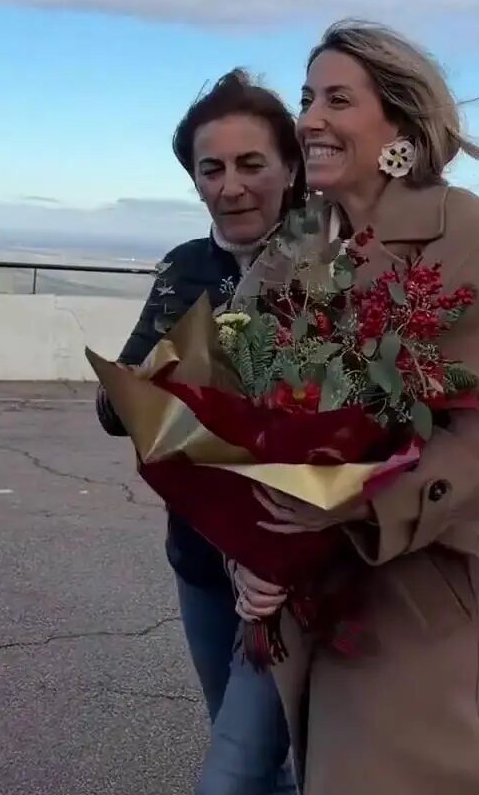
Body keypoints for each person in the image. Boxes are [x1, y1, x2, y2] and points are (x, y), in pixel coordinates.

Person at [230, 20, 479, 794]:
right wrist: (250, 551)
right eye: (306, 99)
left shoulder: (461, 231)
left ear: (399, 121)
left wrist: (354, 502)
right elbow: (232, 395)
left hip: (423, 597)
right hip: (312, 599)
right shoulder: (300, 238)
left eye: (338, 100)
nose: (310, 119)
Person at [97, 68, 305, 795]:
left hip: (294, 571)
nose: (230, 187)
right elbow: (115, 407)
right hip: (202, 562)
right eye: (211, 169)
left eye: (251, 164)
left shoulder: (329, 267)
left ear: (290, 168)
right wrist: (155, 373)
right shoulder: (186, 266)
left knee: (240, 770)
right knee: (249, 758)